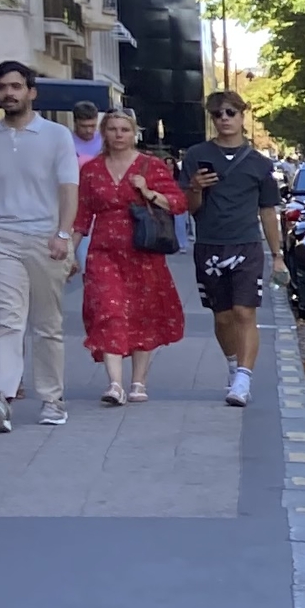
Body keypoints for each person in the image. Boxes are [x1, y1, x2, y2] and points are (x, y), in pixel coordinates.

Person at [178, 91, 285, 406]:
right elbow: (190, 208)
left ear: (242, 116)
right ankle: (232, 364)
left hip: (247, 245)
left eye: (230, 113)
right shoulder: (197, 156)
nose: (224, 119)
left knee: (244, 311)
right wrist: (196, 187)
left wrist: (277, 256)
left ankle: (243, 378)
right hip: (209, 244)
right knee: (222, 316)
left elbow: (268, 211)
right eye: (218, 114)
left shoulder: (260, 164)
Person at [0, 56, 82, 431]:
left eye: (15, 87)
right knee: (6, 319)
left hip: (47, 238)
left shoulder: (56, 135)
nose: (8, 93)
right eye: (1, 88)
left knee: (47, 324)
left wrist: (64, 233)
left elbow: (68, 188)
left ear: (31, 92)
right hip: (1, 239)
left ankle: (52, 399)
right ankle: (1, 398)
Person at [75, 110, 188, 401]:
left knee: (143, 314)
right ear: (104, 132)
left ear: (133, 132)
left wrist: (148, 191)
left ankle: (138, 382)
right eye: (112, 129)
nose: (118, 134)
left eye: (124, 129)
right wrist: (67, 249)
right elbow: (82, 214)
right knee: (108, 311)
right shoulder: (91, 170)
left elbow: (177, 203)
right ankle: (115, 384)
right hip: (103, 251)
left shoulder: (150, 166)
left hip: (143, 251)